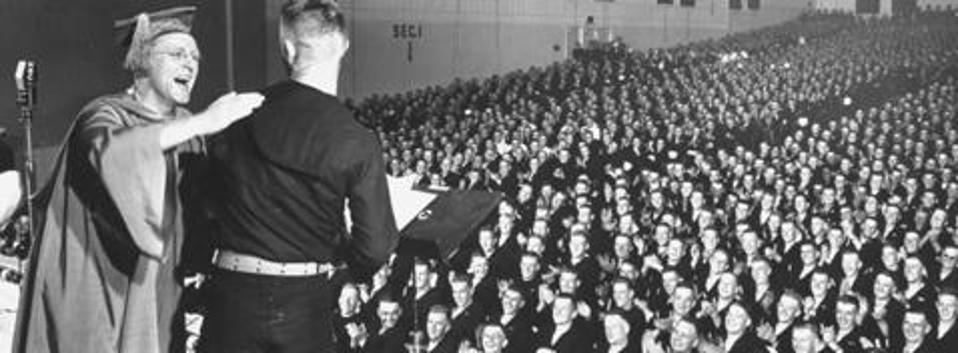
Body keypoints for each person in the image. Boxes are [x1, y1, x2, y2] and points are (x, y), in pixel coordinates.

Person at [12, 6, 263, 353]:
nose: (190, 64)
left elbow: (205, 205)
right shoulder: (103, 115)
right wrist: (203, 123)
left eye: (195, 57)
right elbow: (115, 155)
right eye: (177, 54)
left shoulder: (189, 127)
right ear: (143, 61)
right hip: (100, 288)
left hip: (160, 290)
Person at [199, 0, 398, 352]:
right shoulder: (356, 138)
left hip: (231, 297)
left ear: (288, 49)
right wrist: (340, 251)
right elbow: (376, 247)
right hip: (304, 303)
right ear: (344, 47)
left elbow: (205, 208)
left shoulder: (236, 113)